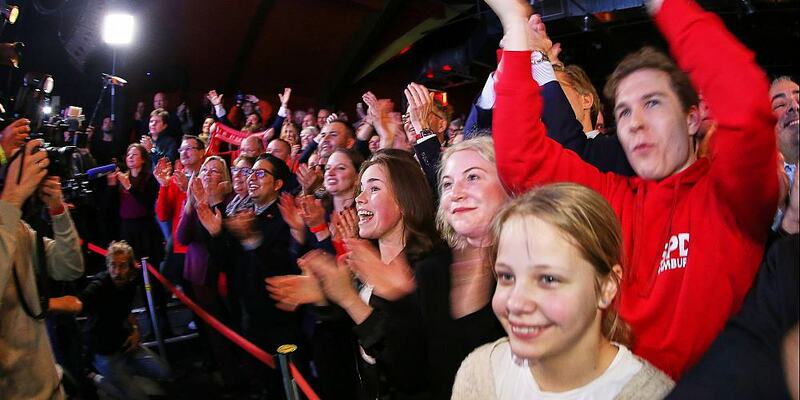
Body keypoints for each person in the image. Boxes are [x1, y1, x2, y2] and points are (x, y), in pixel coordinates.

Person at [486, 0, 778, 378]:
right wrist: (514, 24)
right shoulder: (611, 198)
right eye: (623, 111)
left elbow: (747, 110)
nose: (635, 123)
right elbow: (520, 161)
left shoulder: (729, 196)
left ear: (692, 119)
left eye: (652, 103)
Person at [452, 183, 673, 399]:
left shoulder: (652, 394)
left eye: (548, 279)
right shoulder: (480, 375)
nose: (515, 303)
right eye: (507, 277)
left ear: (606, 287)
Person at [301, 149, 445, 399]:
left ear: (405, 198)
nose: (359, 199)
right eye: (360, 190)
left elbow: (412, 372)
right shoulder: (364, 261)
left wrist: (350, 301)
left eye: (374, 188)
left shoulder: (431, 269)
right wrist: (324, 299)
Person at [1, 139, 84, 399]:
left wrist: (57, 210)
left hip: (49, 385)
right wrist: (12, 199)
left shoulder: (14, 228)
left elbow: (69, 267)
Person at [48, 241, 170, 400]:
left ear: (131, 267)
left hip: (125, 345)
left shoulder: (131, 282)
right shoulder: (100, 285)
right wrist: (45, 304)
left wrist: (135, 331)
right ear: (107, 266)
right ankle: (96, 377)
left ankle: (120, 376)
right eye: (113, 265)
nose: (117, 272)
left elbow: (126, 310)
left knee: (164, 372)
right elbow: (78, 303)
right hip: (104, 353)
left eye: (123, 266)